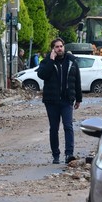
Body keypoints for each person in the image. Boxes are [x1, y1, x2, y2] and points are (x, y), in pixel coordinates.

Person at [36, 37, 82, 165]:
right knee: (54, 128)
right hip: (51, 101)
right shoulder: (47, 61)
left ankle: (69, 154)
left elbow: (76, 79)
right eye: (56, 47)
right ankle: (56, 154)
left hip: (67, 100)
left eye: (61, 46)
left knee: (68, 126)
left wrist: (78, 98)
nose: (59, 48)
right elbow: (42, 75)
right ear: (53, 49)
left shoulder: (71, 61)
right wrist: (51, 60)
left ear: (64, 47)